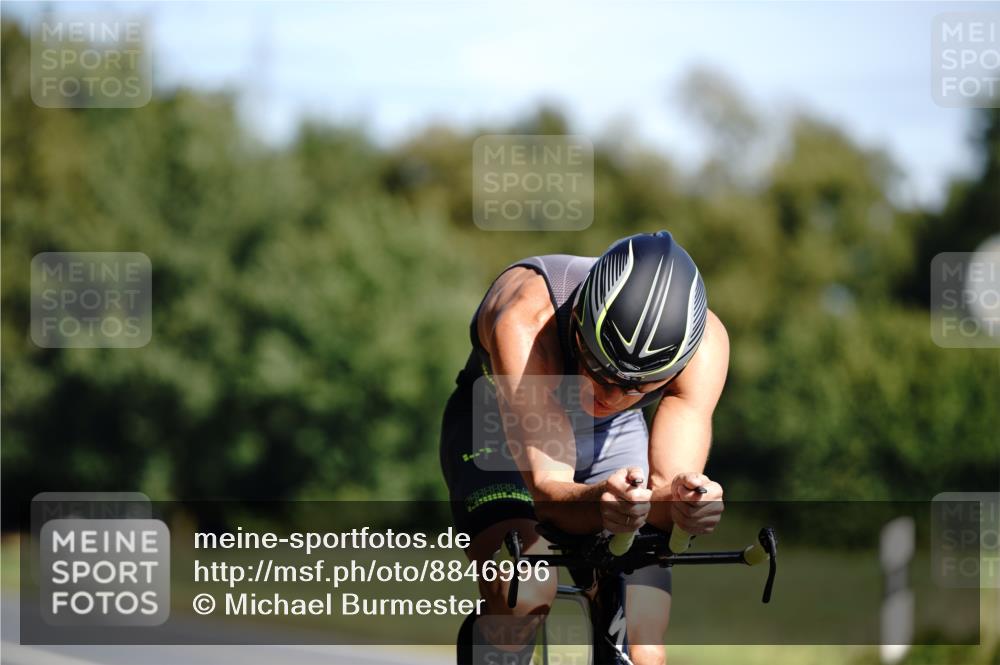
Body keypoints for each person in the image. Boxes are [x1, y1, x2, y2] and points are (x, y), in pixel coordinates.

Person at [440, 231, 729, 665]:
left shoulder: (706, 346)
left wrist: (687, 504)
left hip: (613, 437)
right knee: (524, 592)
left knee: (641, 641)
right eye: (596, 368)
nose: (608, 396)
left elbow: (667, 489)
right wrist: (604, 503)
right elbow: (549, 493)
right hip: (499, 424)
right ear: (576, 320)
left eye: (636, 387)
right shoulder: (525, 317)